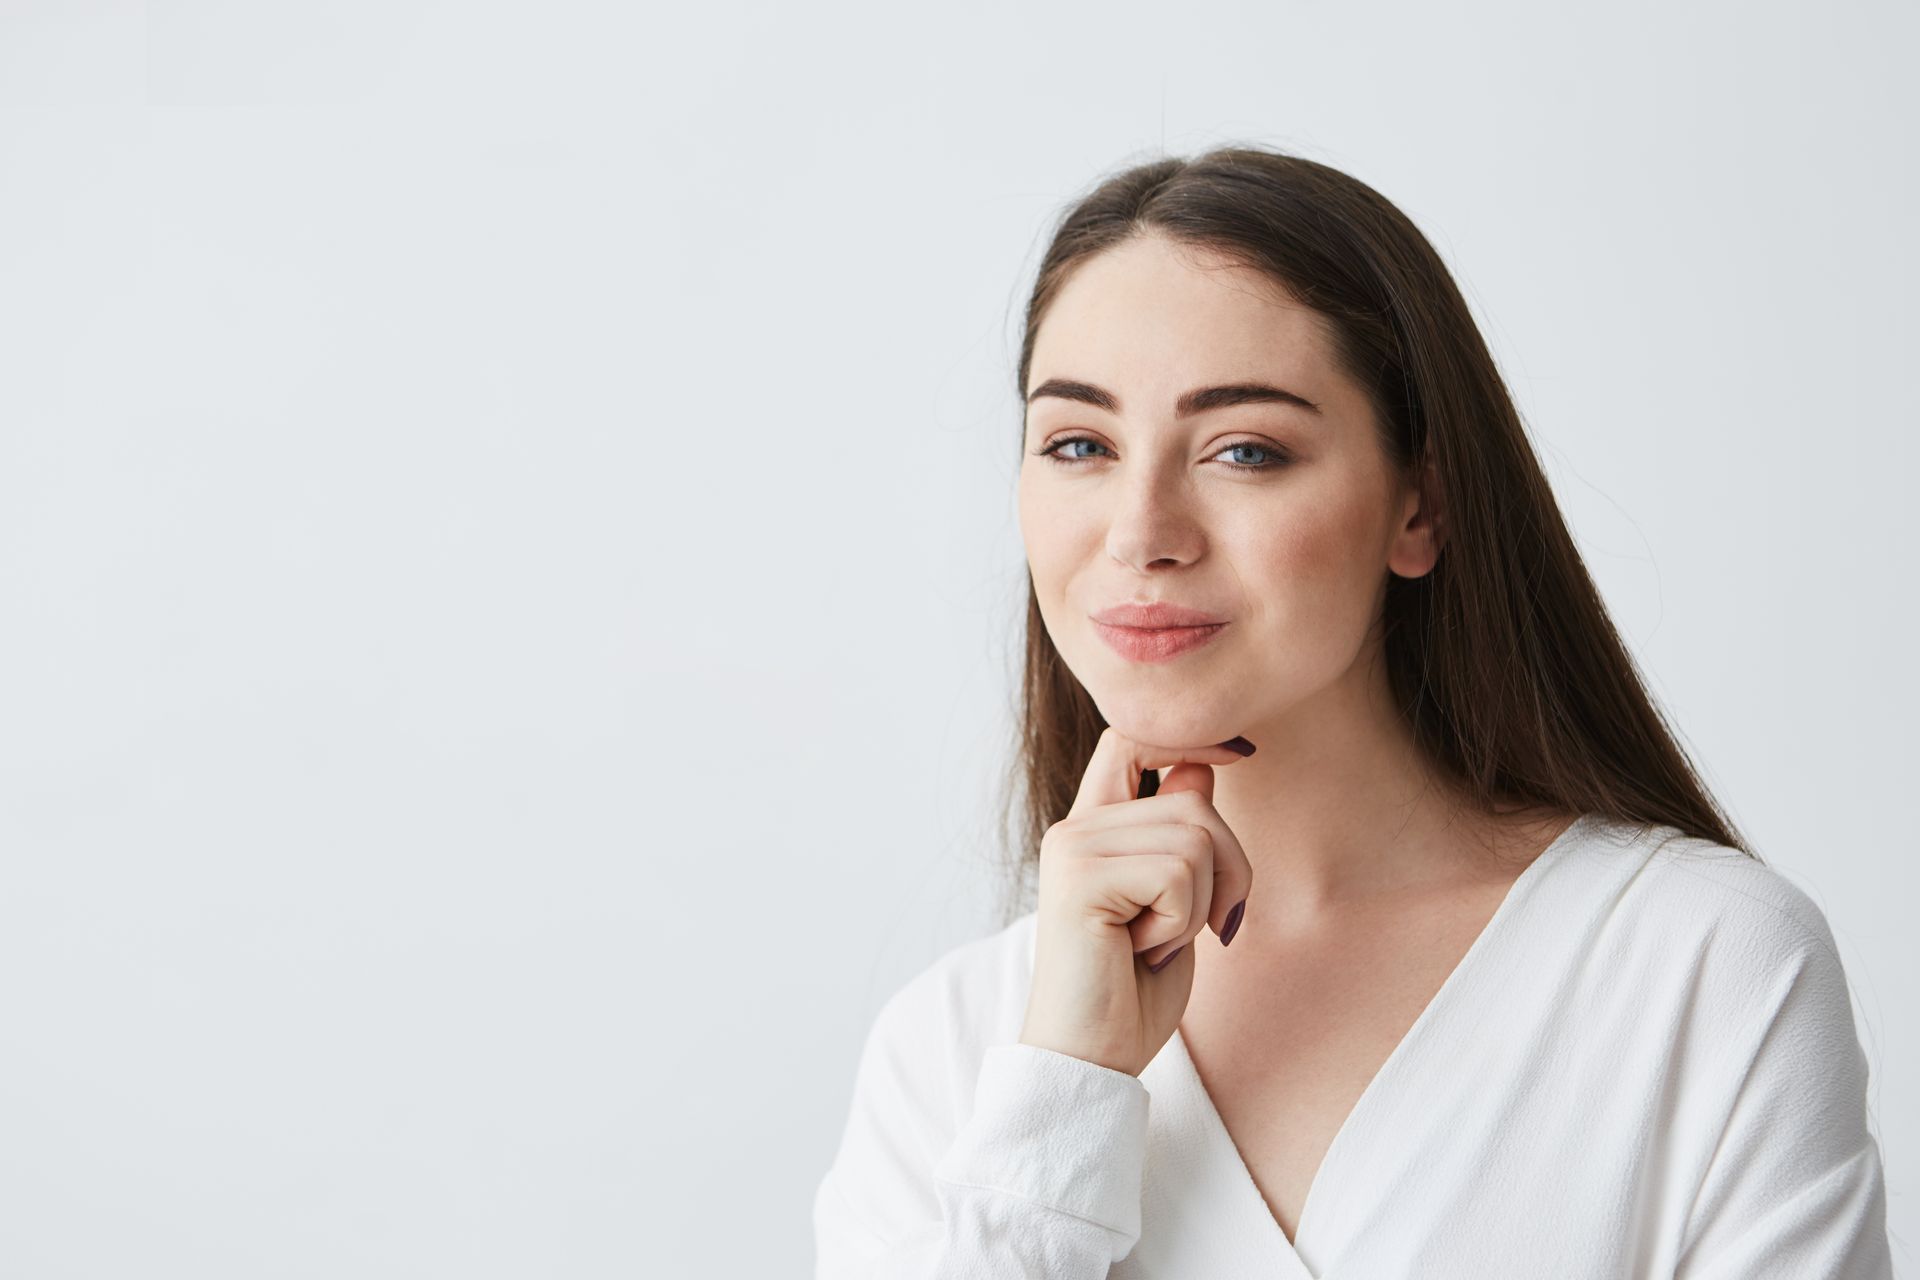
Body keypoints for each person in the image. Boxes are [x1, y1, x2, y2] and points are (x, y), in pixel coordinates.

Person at [812, 146, 1892, 1278]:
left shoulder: (1699, 967)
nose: (1141, 530)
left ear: (1418, 505)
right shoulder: (950, 1049)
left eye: (1245, 450)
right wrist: (1063, 1086)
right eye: (1080, 444)